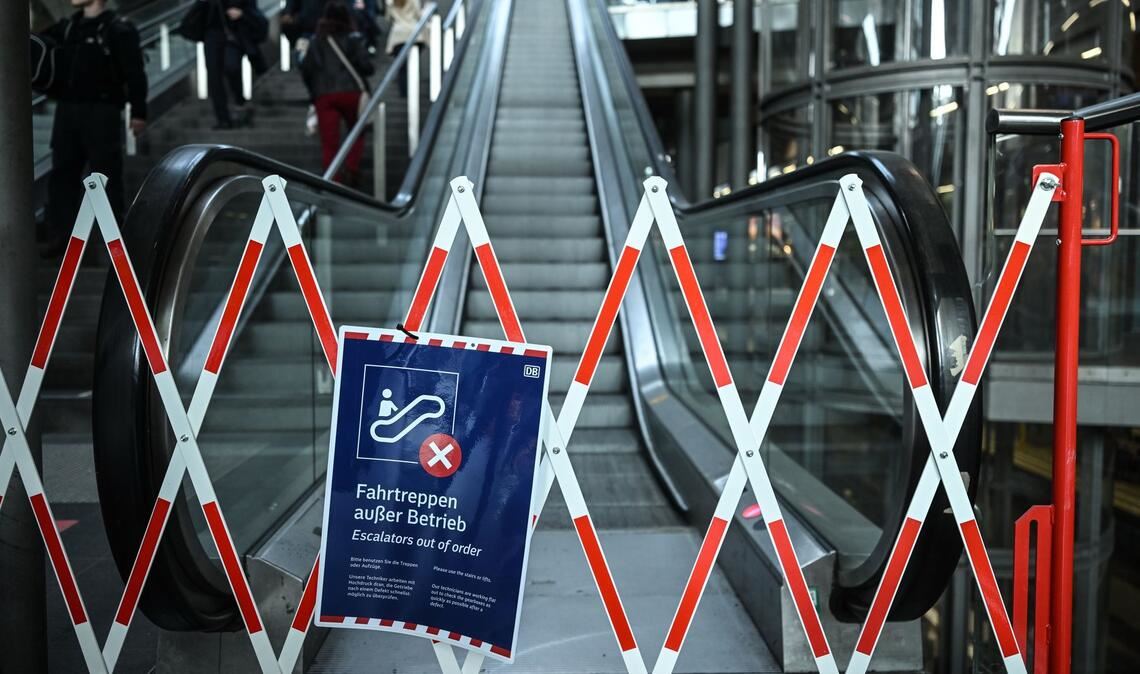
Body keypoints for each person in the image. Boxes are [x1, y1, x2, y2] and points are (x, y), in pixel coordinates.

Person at [41, 0, 147, 258]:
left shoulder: (118, 28)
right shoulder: (68, 27)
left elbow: (135, 72)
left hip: (102, 110)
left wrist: (139, 112)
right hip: (68, 110)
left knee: (107, 176)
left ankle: (114, 240)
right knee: (62, 176)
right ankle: (62, 238)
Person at [299, 0, 375, 185]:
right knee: (357, 131)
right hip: (351, 93)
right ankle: (351, 168)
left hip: (324, 95)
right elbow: (367, 67)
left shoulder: (315, 42)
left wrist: (314, 94)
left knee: (328, 142)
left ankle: (332, 181)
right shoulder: (354, 38)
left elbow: (306, 69)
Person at [201, 0, 266, 129]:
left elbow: (253, 9)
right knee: (214, 77)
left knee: (231, 66)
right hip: (211, 33)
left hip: (234, 33)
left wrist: (242, 14)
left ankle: (240, 101)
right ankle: (223, 119)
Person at [385, 0, 425, 97]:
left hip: (398, 36)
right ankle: (413, 89)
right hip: (414, 33)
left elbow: (388, 18)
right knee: (413, 64)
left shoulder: (390, 2)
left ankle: (404, 91)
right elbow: (419, 15)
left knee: (402, 66)